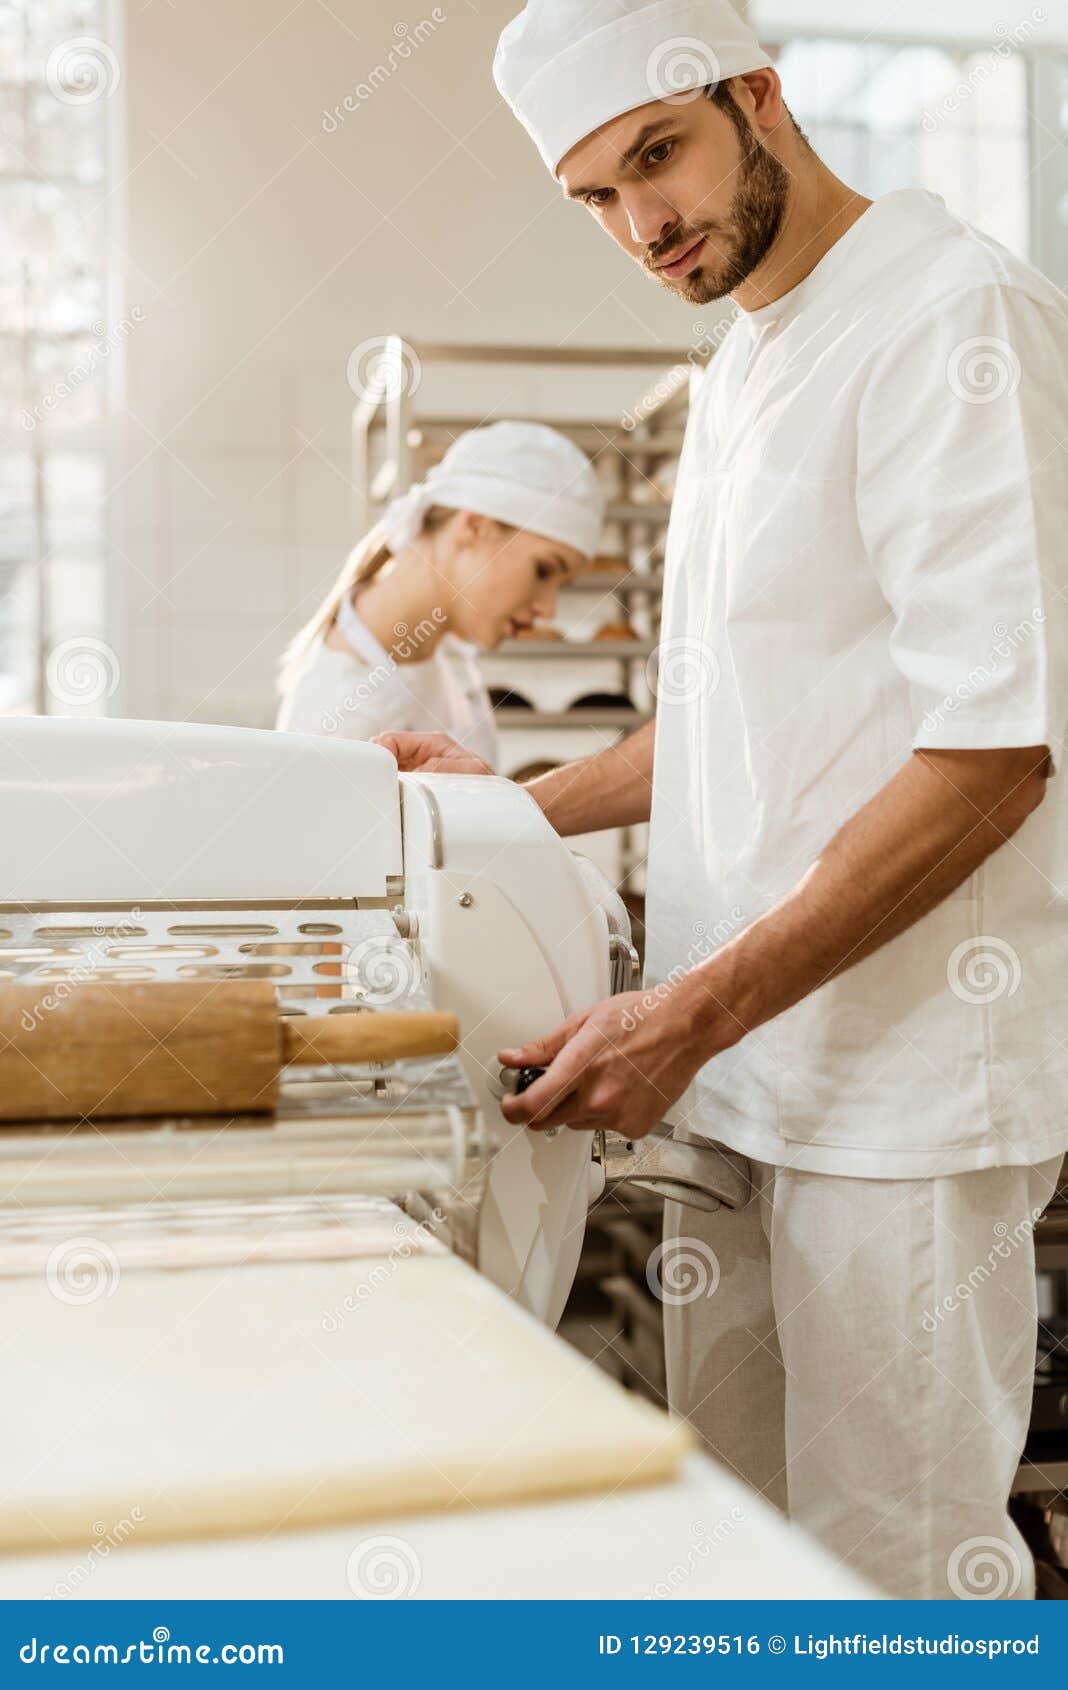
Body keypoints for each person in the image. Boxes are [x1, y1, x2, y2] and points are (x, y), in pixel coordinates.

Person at [377, 0, 1068, 1600]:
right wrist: (513, 807)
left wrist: (687, 1013)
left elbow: (993, 755)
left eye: (660, 159)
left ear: (759, 90)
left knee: (890, 1569)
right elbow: (733, 727)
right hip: (742, 1076)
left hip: (895, 1093)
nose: (644, 225)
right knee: (751, 1561)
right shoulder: (751, 357)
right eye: (598, 198)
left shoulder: (951, 316)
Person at [277, 420, 603, 759]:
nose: (548, 610)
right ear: (474, 527)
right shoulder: (342, 716)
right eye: (544, 571)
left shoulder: (441, 649)